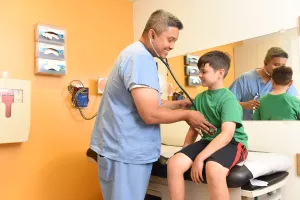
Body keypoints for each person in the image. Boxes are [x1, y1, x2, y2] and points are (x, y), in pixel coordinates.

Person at [89, 10, 215, 200]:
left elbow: (149, 102)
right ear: (152, 34)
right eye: (170, 40)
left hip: (121, 149)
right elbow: (150, 114)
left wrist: (178, 105)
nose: (172, 46)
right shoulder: (140, 59)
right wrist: (187, 116)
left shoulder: (136, 54)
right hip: (125, 153)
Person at [167, 51, 248, 200]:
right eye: (199, 72)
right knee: (174, 163)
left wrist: (200, 158)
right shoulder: (200, 98)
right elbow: (194, 127)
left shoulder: (228, 99)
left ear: (220, 73)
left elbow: (226, 135)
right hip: (209, 140)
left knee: (213, 168)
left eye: (204, 71)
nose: (200, 75)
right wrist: (186, 148)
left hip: (233, 143)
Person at [229, 47, 298, 120]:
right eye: (276, 65)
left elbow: (293, 103)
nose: (280, 69)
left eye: (283, 66)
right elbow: (227, 103)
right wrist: (245, 105)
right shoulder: (245, 79)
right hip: (248, 126)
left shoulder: (285, 81)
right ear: (265, 62)